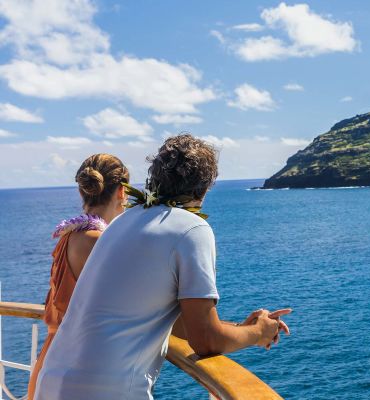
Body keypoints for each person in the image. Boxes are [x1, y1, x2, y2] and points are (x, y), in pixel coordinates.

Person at [34, 134, 291, 400]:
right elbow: (205, 341)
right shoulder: (192, 229)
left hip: (52, 383)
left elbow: (181, 325)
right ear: (204, 188)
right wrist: (260, 331)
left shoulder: (123, 223)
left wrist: (241, 328)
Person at [27, 154, 130, 399]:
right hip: (75, 365)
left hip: (52, 358)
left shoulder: (70, 235)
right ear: (122, 192)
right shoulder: (98, 241)